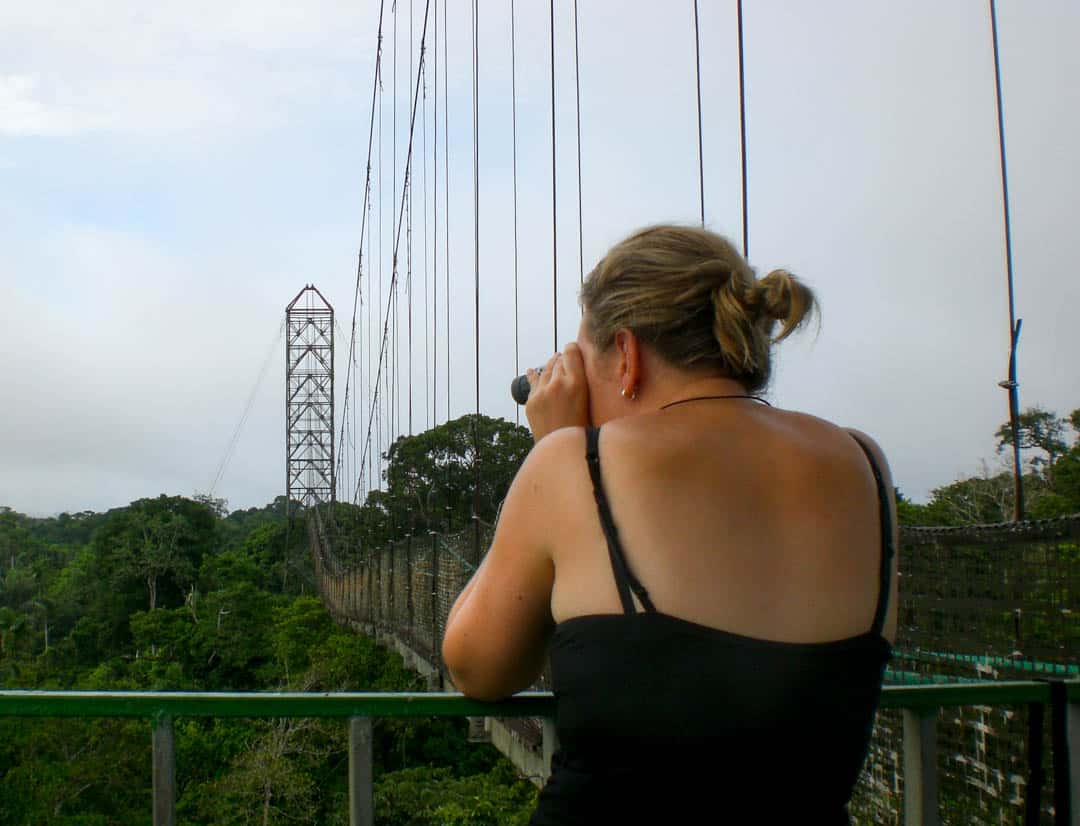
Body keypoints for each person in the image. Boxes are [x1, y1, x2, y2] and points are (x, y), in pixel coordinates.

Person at [441, 224, 898, 824]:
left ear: (627, 355)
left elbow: (478, 668)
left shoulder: (577, 463)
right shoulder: (864, 461)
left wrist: (553, 447)